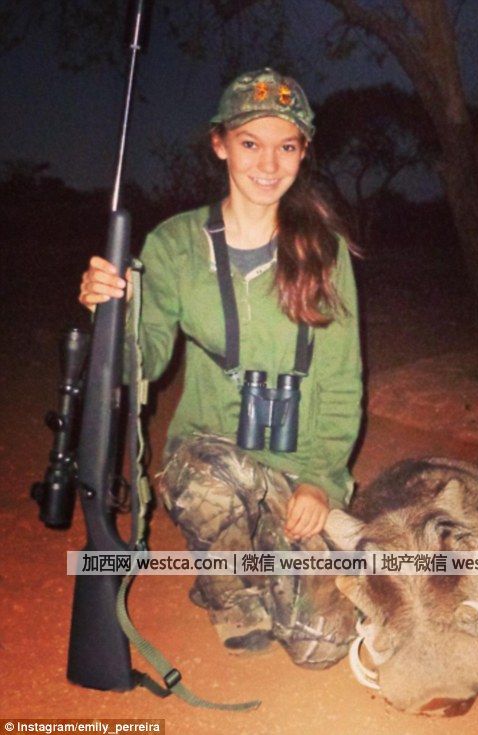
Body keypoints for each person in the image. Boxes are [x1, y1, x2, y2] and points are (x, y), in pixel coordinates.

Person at [79, 68, 362, 666]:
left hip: (295, 472)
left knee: (321, 646)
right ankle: (230, 591)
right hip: (213, 459)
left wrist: (320, 479)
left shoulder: (324, 250)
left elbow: (342, 380)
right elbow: (143, 362)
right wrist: (112, 312)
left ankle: (253, 561)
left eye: (287, 147)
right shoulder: (174, 244)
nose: (269, 164)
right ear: (220, 144)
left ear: (303, 152)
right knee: (209, 482)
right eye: (250, 143)